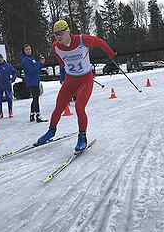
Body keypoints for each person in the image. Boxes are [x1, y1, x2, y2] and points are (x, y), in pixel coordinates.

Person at [35, 19, 115, 152]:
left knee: (79, 107)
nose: (58, 37)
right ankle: (51, 132)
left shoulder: (83, 40)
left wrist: (111, 54)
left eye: (60, 33)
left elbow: (100, 42)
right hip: (70, 80)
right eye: (55, 34)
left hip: (86, 79)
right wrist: (64, 74)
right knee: (59, 107)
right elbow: (61, 62)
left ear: (68, 32)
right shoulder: (56, 47)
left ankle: (82, 137)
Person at [20, 44, 47, 122]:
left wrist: (40, 64)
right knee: (36, 98)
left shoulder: (31, 58)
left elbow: (37, 69)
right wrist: (40, 63)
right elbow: (32, 70)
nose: (29, 51)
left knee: (35, 98)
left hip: (35, 80)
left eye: (29, 49)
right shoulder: (25, 60)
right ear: (24, 51)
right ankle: (38, 115)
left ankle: (32, 114)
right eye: (27, 50)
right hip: (31, 81)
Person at [0, 54, 17, 119]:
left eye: (1, 58)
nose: (0, 59)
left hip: (7, 86)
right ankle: (0, 113)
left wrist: (12, 80)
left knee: (9, 99)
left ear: (3, 58)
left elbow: (14, 72)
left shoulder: (8, 65)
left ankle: (10, 112)